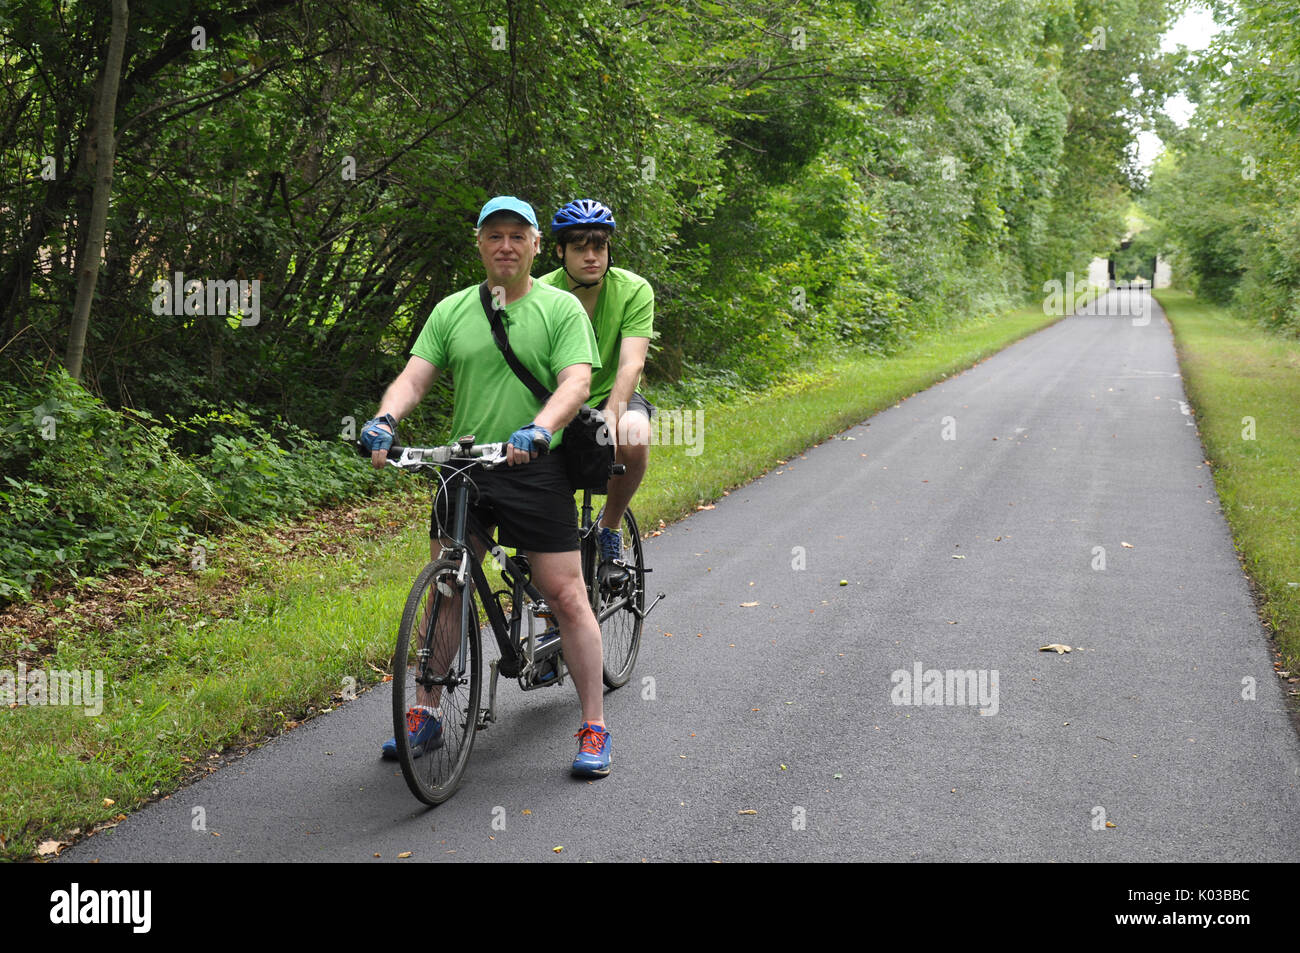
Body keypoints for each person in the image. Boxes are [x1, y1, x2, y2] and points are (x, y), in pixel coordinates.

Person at [358, 195, 614, 777]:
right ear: (479, 243)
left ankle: (594, 725)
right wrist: (385, 419)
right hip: (464, 465)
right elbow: (414, 377)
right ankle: (425, 713)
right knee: (447, 586)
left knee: (564, 592)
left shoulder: (559, 309)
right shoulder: (451, 310)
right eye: (494, 236)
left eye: (517, 236)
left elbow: (576, 383)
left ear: (535, 246)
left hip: (533, 462)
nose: (505, 246)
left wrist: (539, 428)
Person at [539, 200, 654, 582]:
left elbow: (631, 364)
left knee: (634, 435)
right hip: (558, 397)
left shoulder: (634, 289)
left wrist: (609, 416)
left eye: (599, 247)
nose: (591, 256)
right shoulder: (540, 294)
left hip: (612, 394)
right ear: (559, 251)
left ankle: (610, 529)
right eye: (579, 248)